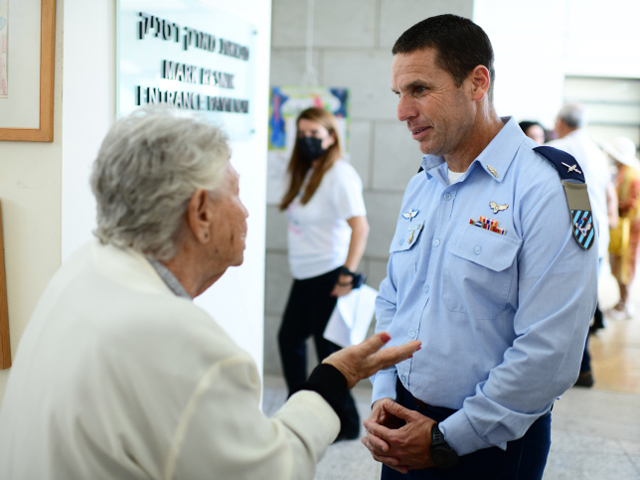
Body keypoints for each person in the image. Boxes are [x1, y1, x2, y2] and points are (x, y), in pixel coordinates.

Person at [0, 107, 420, 480]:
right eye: (235, 192)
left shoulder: (85, 265)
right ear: (201, 213)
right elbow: (274, 471)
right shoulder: (179, 341)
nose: (246, 210)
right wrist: (333, 377)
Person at [361, 14, 598, 480]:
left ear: (477, 83)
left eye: (420, 90)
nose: (403, 112)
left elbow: (552, 349)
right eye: (399, 94)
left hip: (490, 445)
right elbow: (394, 299)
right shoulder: (424, 182)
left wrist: (449, 439)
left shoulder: (545, 185)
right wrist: (383, 394)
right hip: (402, 424)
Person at [278, 107, 369, 441]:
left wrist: (347, 273)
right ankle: (300, 406)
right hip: (304, 274)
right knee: (290, 341)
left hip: (328, 275)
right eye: (302, 134)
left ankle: (346, 423)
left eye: (315, 135)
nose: (307, 141)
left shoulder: (340, 174)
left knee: (329, 354)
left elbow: (360, 227)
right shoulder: (307, 171)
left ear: (331, 137)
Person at [546, 103, 619, 386]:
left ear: (560, 123)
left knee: (563, 308)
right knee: (583, 305)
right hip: (596, 238)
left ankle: (578, 368)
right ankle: (581, 367)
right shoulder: (597, 152)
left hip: (571, 239)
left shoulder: (558, 147)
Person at [601, 136, 640, 320]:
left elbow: (632, 204)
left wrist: (613, 209)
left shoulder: (632, 174)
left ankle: (625, 304)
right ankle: (621, 302)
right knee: (618, 266)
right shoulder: (622, 172)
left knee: (625, 267)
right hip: (622, 228)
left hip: (630, 229)